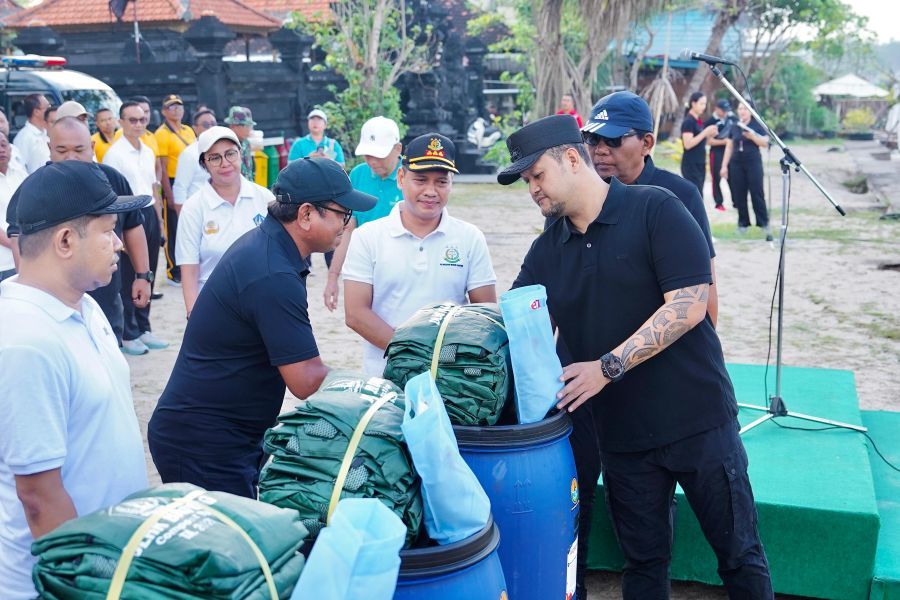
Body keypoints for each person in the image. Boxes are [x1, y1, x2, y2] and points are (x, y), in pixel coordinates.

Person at [498, 114, 773, 599]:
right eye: (526, 182)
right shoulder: (547, 249)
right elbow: (517, 324)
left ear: (570, 158)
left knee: (739, 554)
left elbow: (689, 306)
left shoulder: (656, 209)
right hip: (622, 441)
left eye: (537, 175)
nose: (533, 190)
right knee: (643, 566)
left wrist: (606, 367)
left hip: (698, 421)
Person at [148, 157, 377, 498]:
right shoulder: (272, 271)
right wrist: (370, 391)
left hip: (230, 433)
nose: (347, 223)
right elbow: (305, 378)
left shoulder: (275, 249)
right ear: (306, 215)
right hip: (204, 442)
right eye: (342, 213)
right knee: (228, 545)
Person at [575, 91, 721, 598]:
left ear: (648, 142)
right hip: (612, 398)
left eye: (613, 141)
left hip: (682, 391)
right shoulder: (582, 201)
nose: (601, 152)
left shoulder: (676, 194)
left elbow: (702, 292)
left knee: (738, 549)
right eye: (593, 140)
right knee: (640, 548)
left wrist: (705, 365)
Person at [0, 160, 148, 599]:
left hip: (107, 560)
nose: (119, 244)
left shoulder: (85, 306)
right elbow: (39, 497)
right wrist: (88, 585)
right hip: (63, 580)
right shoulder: (25, 340)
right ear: (66, 240)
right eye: (107, 230)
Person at [342, 133, 498, 376]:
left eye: (441, 182)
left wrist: (444, 362)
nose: (431, 191)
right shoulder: (368, 237)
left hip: (451, 381)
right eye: (421, 180)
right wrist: (417, 356)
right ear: (401, 178)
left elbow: (485, 314)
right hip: (386, 377)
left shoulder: (469, 237)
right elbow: (356, 314)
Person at [46, 117, 152, 344]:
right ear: (49, 148)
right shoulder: (37, 188)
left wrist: (143, 275)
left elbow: (133, 226)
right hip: (56, 299)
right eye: (61, 150)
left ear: (92, 147)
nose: (70, 157)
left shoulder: (111, 179)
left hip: (106, 293)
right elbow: (21, 244)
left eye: (79, 149)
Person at [176, 126, 273, 318]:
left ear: (241, 155)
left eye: (230, 154)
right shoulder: (193, 207)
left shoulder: (264, 198)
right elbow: (189, 266)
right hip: (215, 305)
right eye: (215, 157)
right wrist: (193, 313)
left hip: (263, 302)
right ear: (204, 163)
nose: (225, 163)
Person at [103, 101, 169, 355]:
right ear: (121, 122)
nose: (138, 124)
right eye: (132, 120)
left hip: (149, 210)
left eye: (142, 120)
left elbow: (153, 187)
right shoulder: (114, 155)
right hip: (126, 216)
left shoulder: (147, 149)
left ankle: (144, 326)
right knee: (129, 275)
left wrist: (159, 221)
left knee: (148, 270)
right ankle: (129, 332)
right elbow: (114, 197)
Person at [323, 116, 403, 310]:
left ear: (397, 149)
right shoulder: (358, 174)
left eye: (379, 155)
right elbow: (348, 229)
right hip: (366, 265)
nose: (372, 161)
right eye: (368, 155)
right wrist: (333, 277)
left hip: (401, 265)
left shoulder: (413, 178)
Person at [155, 94, 197, 286]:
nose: (176, 110)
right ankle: (173, 270)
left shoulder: (188, 130)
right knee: (172, 227)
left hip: (190, 180)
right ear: (164, 111)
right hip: (171, 181)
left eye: (179, 106)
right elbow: (161, 167)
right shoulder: (161, 134)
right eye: (171, 107)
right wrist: (169, 194)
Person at [721, 102, 773, 241]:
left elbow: (765, 143)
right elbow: (729, 147)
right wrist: (724, 166)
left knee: (757, 193)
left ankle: (763, 223)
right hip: (736, 164)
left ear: (750, 111)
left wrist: (753, 137)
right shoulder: (735, 126)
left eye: (745, 109)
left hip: (753, 163)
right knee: (739, 194)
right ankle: (743, 223)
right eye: (740, 108)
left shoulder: (757, 126)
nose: (742, 111)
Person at [172, 108, 218, 208]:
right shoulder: (189, 154)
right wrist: (182, 219)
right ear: (195, 128)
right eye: (205, 125)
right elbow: (180, 189)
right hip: (197, 210)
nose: (210, 127)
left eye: (213, 124)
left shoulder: (222, 150)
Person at [680, 91, 719, 198]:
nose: (704, 106)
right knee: (695, 197)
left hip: (699, 163)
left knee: (699, 196)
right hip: (691, 164)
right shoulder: (688, 122)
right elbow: (688, 144)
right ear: (693, 103)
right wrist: (705, 132)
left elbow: (701, 142)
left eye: (705, 104)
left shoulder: (698, 121)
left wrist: (710, 135)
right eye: (701, 103)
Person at [0, 132, 27, 283]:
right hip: (3, 262)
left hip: (25, 258)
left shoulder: (20, 174)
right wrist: (15, 244)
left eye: (4, 145)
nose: (1, 150)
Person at [12, 93, 50, 174]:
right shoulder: (23, 138)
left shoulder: (46, 132)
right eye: (47, 107)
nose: (50, 109)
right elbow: (20, 169)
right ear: (36, 112)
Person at [706, 99, 732, 212]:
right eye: (723, 110)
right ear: (716, 109)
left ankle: (736, 201)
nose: (725, 112)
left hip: (729, 152)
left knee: (732, 177)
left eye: (726, 110)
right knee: (716, 178)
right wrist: (725, 141)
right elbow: (708, 141)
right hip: (715, 153)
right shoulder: (710, 122)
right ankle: (719, 203)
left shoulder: (731, 120)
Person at [224, 106, 257, 181]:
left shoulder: (246, 143)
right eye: (246, 125)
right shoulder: (225, 145)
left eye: (250, 125)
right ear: (233, 126)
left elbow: (249, 170)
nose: (250, 129)